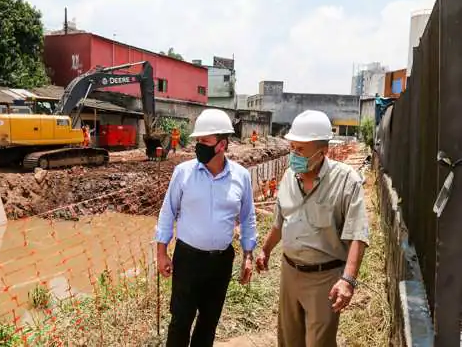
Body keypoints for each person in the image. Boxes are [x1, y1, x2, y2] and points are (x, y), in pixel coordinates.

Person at [256, 110, 369, 347]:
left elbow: (358, 235)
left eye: (301, 150)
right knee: (288, 339)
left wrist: (348, 280)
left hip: (324, 279)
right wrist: (265, 251)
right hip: (289, 273)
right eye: (292, 148)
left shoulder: (346, 181)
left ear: (323, 151)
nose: (294, 155)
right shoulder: (289, 177)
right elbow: (280, 222)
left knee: (319, 342)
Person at [155, 108, 257, 347]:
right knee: (180, 320)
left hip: (221, 262)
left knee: (209, 321)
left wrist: (248, 256)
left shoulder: (240, 177)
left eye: (204, 141)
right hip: (188, 259)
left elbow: (248, 217)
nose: (198, 146)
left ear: (221, 145)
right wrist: (161, 252)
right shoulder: (183, 173)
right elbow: (168, 211)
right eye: (197, 141)